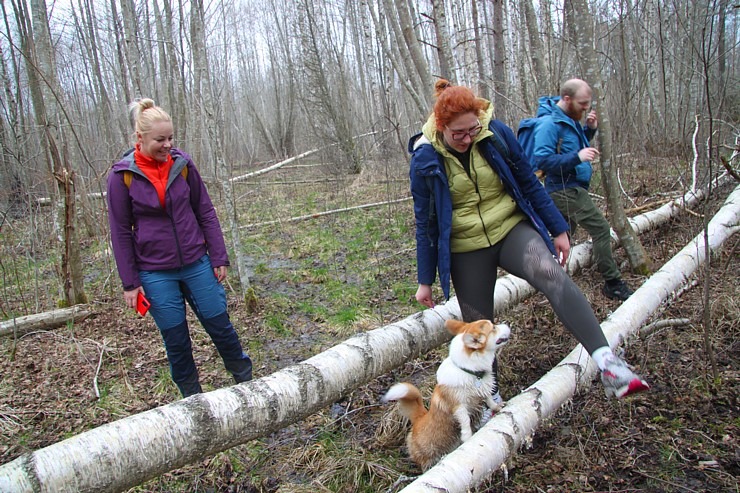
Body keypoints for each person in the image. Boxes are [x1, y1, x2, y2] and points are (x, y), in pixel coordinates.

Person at [409, 79, 648, 400]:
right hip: (466, 249)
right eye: (459, 134)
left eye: (473, 130)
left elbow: (529, 181)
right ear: (441, 127)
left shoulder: (495, 135)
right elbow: (425, 223)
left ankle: (609, 364)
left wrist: (558, 228)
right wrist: (425, 279)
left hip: (510, 229)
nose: (468, 138)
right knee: (479, 326)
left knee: (552, 274)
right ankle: (490, 398)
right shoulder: (425, 158)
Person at [107, 98, 253, 398]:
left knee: (220, 324)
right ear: (140, 138)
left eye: (170, 138)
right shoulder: (122, 176)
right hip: (155, 272)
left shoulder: (183, 165)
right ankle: (192, 401)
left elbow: (205, 211)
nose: (167, 145)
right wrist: (130, 283)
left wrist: (218, 255)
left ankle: (246, 382)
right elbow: (120, 232)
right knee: (176, 339)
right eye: (160, 139)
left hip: (196, 262)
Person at [530, 79, 634, 301]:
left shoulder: (569, 119)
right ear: (567, 99)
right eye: (583, 103)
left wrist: (588, 130)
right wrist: (578, 157)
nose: (586, 107)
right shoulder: (549, 124)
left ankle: (546, 279)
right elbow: (543, 160)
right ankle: (612, 283)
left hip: (571, 189)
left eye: (588, 103)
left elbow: (571, 146)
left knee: (563, 236)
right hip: (564, 190)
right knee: (601, 229)